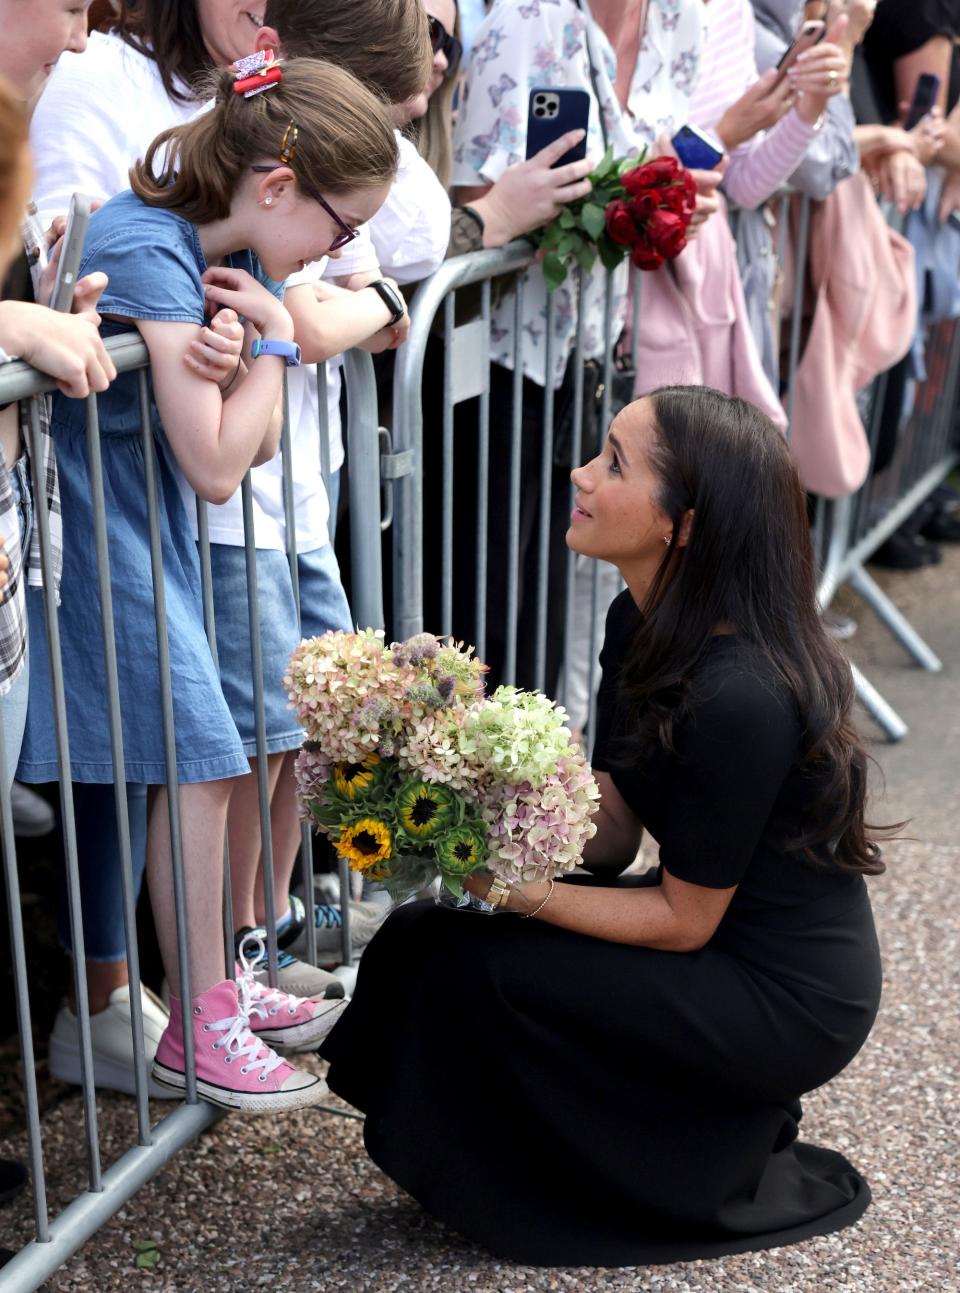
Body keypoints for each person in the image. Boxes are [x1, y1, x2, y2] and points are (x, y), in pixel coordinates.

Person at [321, 386, 885, 1265]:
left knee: (486, 972)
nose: (580, 473)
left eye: (616, 463)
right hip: (715, 944)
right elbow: (614, 831)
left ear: (683, 525)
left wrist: (510, 890)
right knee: (422, 935)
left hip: (786, 995)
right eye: (599, 449)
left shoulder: (742, 694)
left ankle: (591, 1180)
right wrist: (453, 783)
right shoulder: (642, 619)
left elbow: (680, 916)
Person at [28, 0, 430, 1087]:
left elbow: (233, 457)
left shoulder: (180, 247)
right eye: (340, 229)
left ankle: (216, 994)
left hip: (134, 529)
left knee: (207, 763)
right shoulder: (149, 243)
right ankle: (203, 1021)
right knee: (204, 765)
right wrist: (280, 345)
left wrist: (261, 340)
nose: (342, 253)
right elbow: (217, 460)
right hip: (100, 536)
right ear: (275, 189)